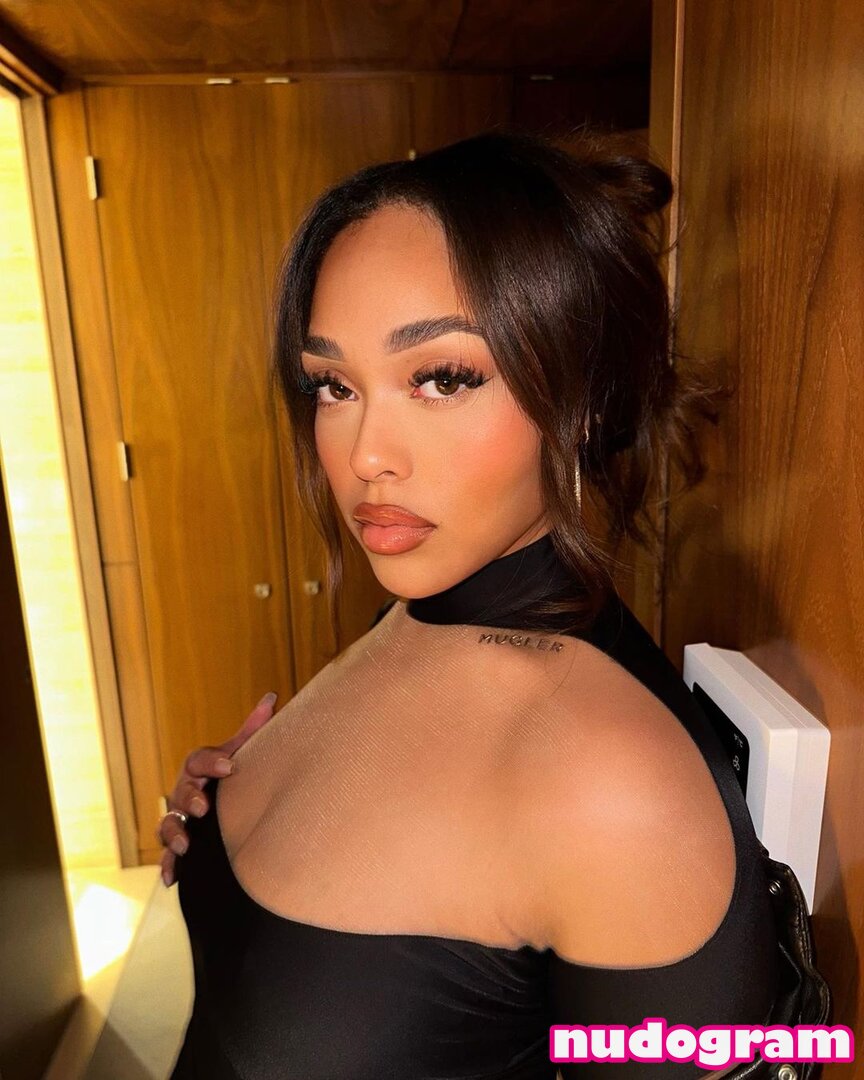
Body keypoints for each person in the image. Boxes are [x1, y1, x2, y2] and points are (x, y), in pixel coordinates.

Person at [157, 130, 779, 1078]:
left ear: (581, 393)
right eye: (333, 385)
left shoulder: (614, 784)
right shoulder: (416, 614)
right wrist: (232, 815)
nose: (367, 455)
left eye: (441, 379)